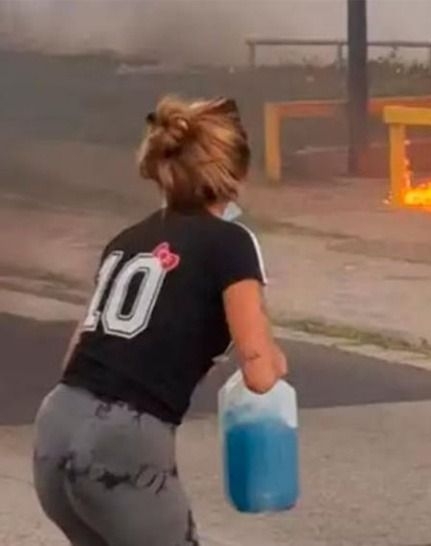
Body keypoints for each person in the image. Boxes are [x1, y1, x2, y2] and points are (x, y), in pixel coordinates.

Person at [31, 95, 288, 545]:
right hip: (121, 445)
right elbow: (261, 372)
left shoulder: (125, 241)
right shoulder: (230, 243)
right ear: (235, 176)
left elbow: (78, 352)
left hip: (54, 430)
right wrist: (274, 356)